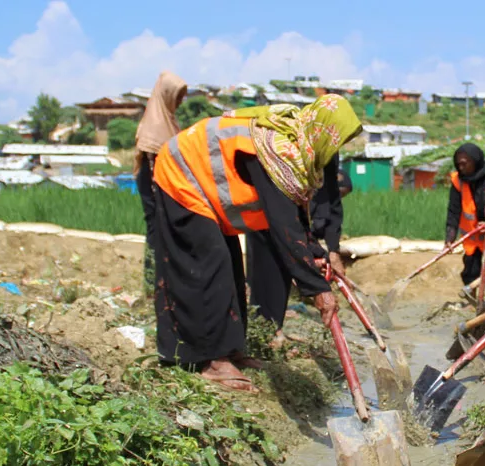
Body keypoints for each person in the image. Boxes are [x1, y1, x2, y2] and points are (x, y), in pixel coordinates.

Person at [144, 91, 362, 393]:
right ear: (322, 130)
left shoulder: (297, 155)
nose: (335, 146)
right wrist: (317, 290)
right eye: (336, 138)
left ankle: (231, 349)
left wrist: (314, 253)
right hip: (182, 176)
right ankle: (211, 360)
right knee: (209, 267)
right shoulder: (276, 151)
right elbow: (282, 225)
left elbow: (297, 220)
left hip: (207, 193)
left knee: (231, 268)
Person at [245, 149, 347, 344]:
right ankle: (266, 331)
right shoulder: (284, 152)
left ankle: (272, 330)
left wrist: (332, 250)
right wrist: (317, 287)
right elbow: (288, 227)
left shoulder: (329, 151)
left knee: (290, 261)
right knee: (272, 264)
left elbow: (333, 200)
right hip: (268, 214)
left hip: (307, 218)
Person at [134, 70, 189, 317]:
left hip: (162, 185)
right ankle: (154, 283)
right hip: (154, 186)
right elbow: (152, 162)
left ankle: (162, 282)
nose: (178, 103)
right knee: (157, 232)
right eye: (176, 97)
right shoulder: (156, 125)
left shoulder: (167, 120)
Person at [446, 144, 485, 289]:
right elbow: (453, 211)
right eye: (458, 164)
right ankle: (472, 301)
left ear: (475, 160)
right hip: (472, 237)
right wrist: (449, 238)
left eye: (464, 164)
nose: (461, 168)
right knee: (470, 270)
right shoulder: (458, 181)